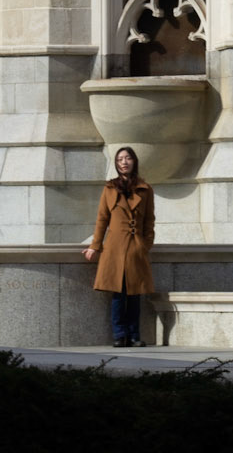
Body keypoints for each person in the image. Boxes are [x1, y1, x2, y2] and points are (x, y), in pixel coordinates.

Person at [85, 145, 155, 347]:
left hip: (136, 248)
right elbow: (101, 220)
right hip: (114, 248)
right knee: (118, 294)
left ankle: (134, 335)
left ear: (134, 161)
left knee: (134, 294)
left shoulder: (145, 189)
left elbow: (149, 220)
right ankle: (119, 335)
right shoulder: (109, 188)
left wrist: (145, 245)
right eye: (120, 159)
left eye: (127, 158)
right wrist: (94, 246)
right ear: (116, 164)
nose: (124, 162)